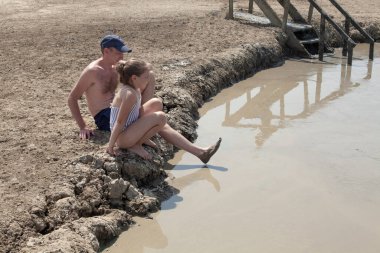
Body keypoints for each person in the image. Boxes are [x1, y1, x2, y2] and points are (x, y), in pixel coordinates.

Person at [68, 34, 221, 163]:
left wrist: (148, 76)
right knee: (156, 119)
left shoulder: (118, 66)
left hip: (121, 108)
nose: (122, 57)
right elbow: (72, 98)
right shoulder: (92, 71)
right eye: (118, 53)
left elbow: (138, 71)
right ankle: (198, 152)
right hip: (104, 116)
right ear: (106, 51)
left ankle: (200, 153)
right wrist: (82, 126)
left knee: (151, 80)